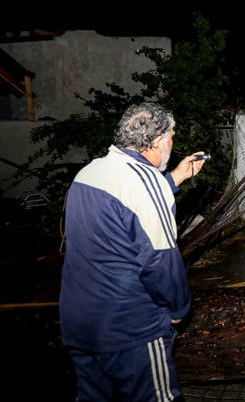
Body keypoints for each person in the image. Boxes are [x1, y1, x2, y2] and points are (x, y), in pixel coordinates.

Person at [59, 102, 206, 401]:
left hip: (81, 324)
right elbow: (162, 260)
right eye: (172, 136)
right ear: (156, 141)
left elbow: (126, 210)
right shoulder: (146, 183)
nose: (173, 143)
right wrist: (179, 310)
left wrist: (175, 178)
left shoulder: (90, 172)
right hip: (130, 329)